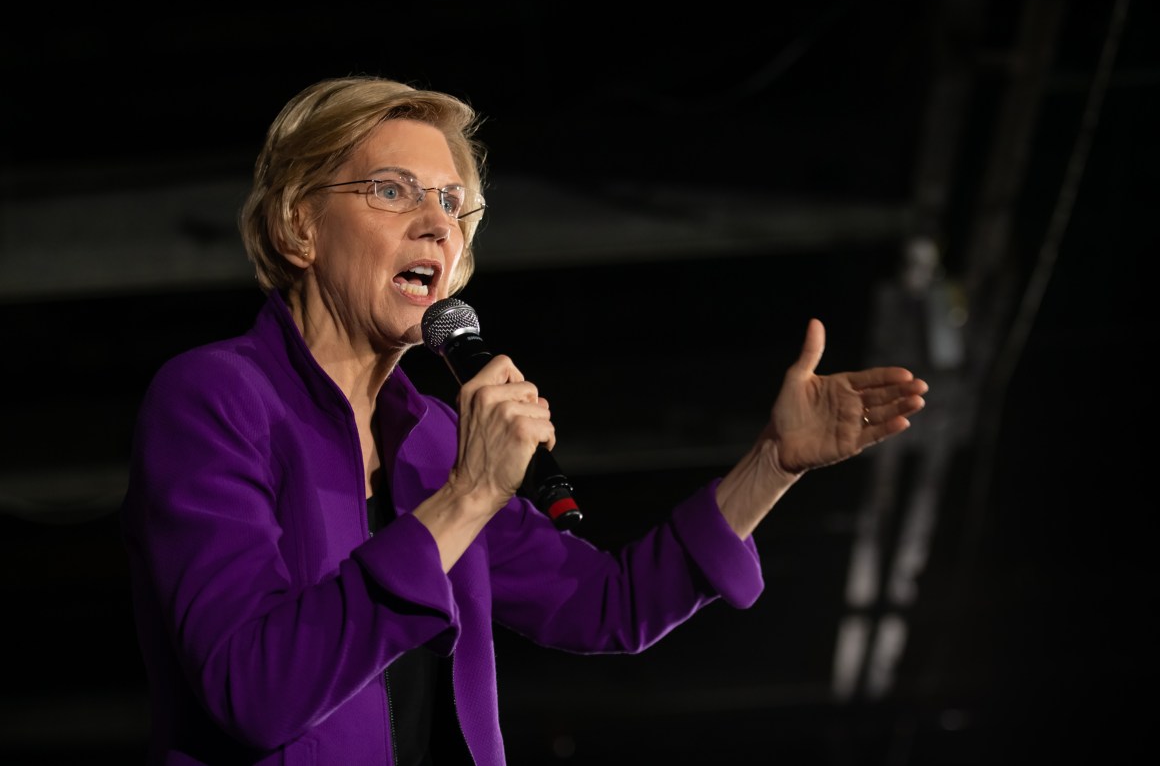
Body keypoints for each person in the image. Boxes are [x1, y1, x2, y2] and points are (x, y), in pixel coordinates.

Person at [120, 74, 929, 765]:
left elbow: (607, 604)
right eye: (394, 191)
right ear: (300, 224)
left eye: (453, 204)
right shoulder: (217, 398)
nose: (436, 223)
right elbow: (252, 689)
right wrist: (468, 493)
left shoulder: (434, 438)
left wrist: (772, 463)